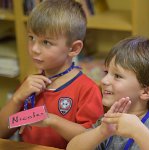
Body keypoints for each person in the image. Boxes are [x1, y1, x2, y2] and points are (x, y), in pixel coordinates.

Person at [0, 0, 104, 149]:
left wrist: (51, 120)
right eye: (31, 38)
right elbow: (2, 132)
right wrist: (17, 99)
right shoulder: (30, 84)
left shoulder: (87, 89)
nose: (34, 48)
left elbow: (93, 139)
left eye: (46, 42)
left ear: (73, 48)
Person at [67, 36, 149, 150]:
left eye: (117, 76)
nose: (104, 80)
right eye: (106, 72)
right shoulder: (108, 120)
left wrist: (138, 132)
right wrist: (101, 132)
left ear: (146, 91)